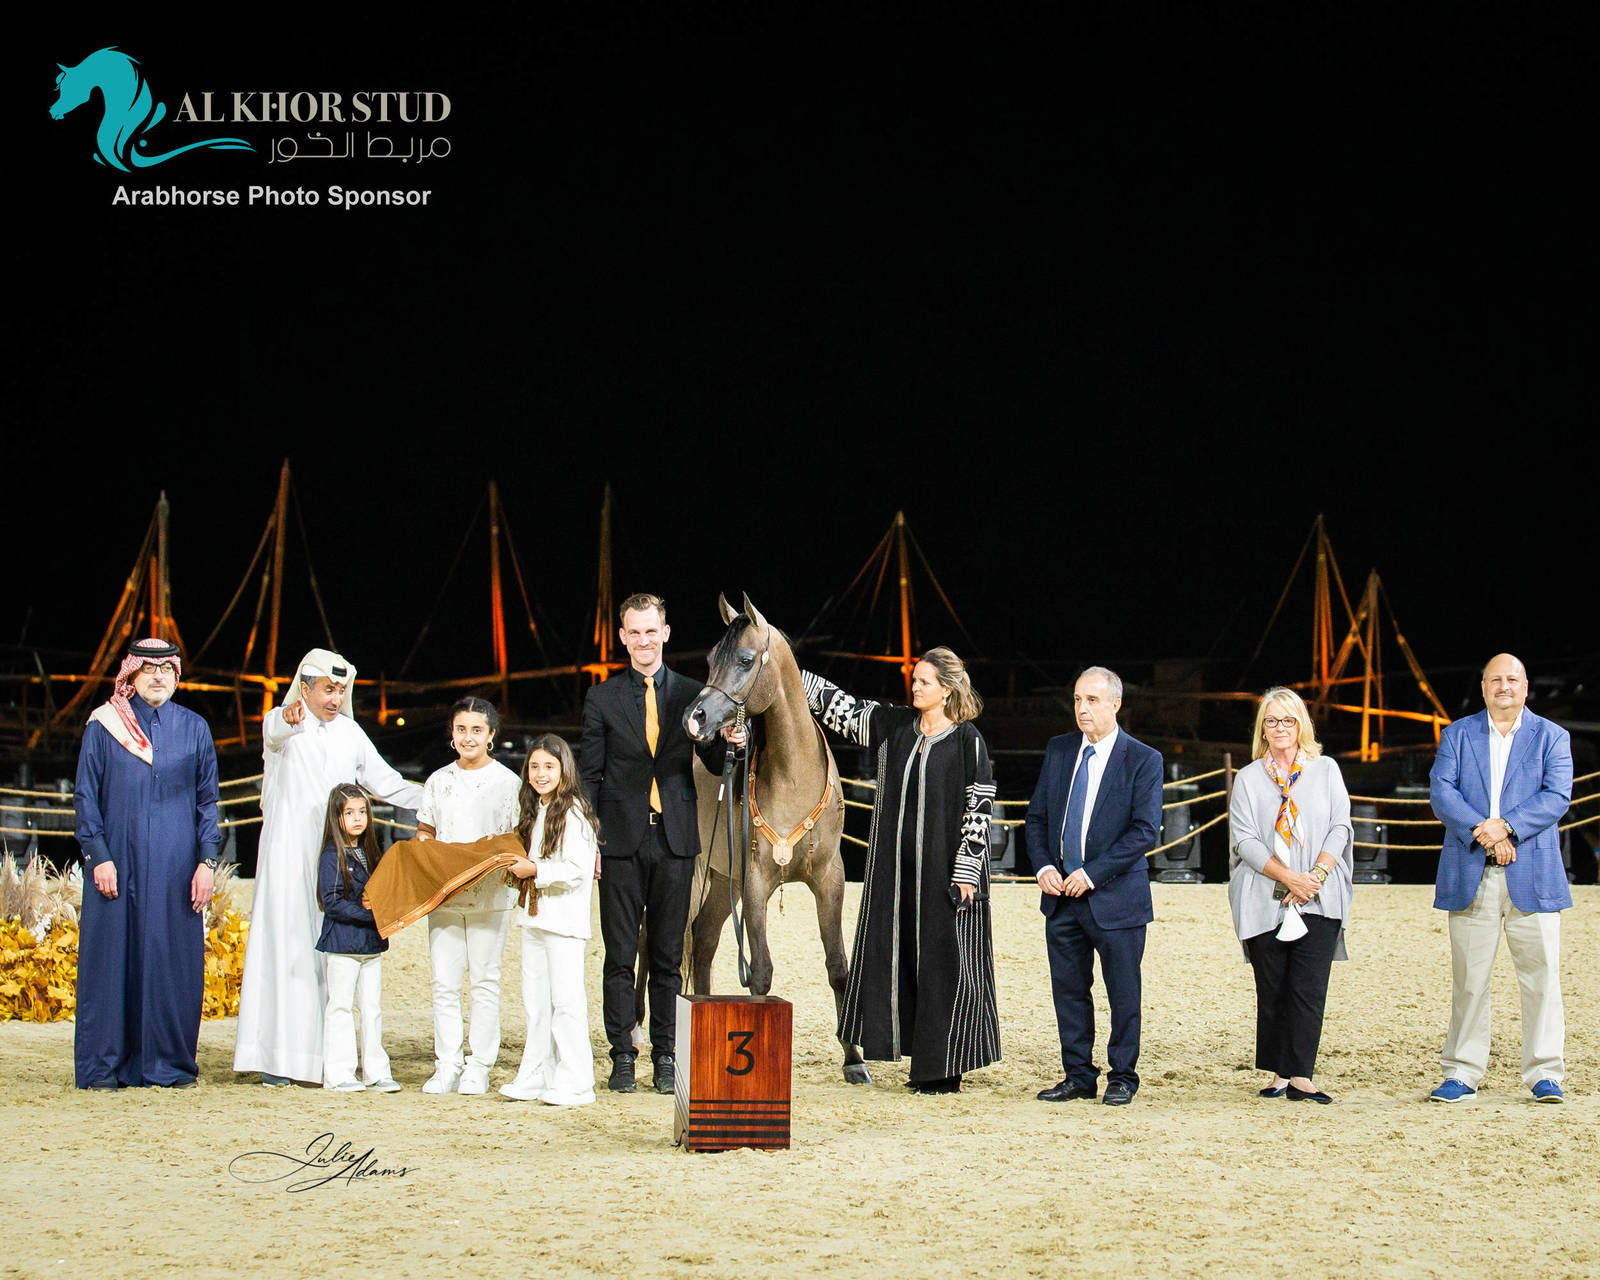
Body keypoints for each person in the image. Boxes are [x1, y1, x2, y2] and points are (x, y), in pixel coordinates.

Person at [801, 648, 1001, 1093]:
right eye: (915, 679)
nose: (915, 686)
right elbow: (843, 708)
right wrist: (785, 668)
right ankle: (912, 1057)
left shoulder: (968, 740)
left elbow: (980, 805)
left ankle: (941, 1072)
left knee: (944, 966)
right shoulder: (895, 727)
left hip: (947, 878)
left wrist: (967, 870)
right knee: (901, 961)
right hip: (894, 879)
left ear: (946, 689)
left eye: (924, 681)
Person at [234, 648, 424, 1087]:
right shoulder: (281, 724)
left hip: (337, 861)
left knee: (332, 957)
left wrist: (437, 798)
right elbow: (277, 730)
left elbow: (387, 782)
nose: (336, 698)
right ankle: (279, 1059)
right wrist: (290, 716)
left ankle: (329, 1061)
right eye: (327, 689)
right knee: (289, 952)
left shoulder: (351, 733)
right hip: (288, 857)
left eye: (341, 690)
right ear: (305, 687)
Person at [580, 593, 725, 1095]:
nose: (643, 640)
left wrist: (733, 744)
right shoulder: (601, 698)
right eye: (633, 632)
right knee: (620, 955)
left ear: (666, 633)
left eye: (651, 631)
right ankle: (623, 1056)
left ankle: (666, 1056)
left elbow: (712, 762)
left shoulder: (692, 693)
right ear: (622, 637)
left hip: (676, 839)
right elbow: (590, 777)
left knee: (667, 956)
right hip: (618, 841)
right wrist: (590, 840)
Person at [73, 638, 220, 1089]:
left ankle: (168, 1066)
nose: (158, 675)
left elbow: (207, 802)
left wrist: (207, 862)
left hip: (178, 870)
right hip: (116, 866)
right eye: (148, 668)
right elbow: (85, 798)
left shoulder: (195, 728)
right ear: (131, 676)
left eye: (166, 669)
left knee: (170, 962)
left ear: (177, 675)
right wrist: (99, 856)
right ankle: (105, 1067)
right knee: (110, 963)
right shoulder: (104, 726)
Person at [1429, 653, 1573, 1104]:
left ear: (1525, 686)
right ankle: (1462, 1072)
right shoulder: (1457, 734)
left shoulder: (1553, 737)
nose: (1504, 686)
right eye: (1496, 679)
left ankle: (1545, 1073)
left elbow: (1556, 797)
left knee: (1542, 976)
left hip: (1533, 873)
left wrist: (1506, 825)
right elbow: (1442, 792)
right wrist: (1487, 834)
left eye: (1512, 679)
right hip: (1473, 872)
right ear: (1484, 685)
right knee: (1470, 978)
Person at [1024, 666, 1162, 1106]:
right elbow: (1037, 818)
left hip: (1116, 899)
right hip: (1060, 898)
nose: (1082, 709)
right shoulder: (1060, 750)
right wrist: (1044, 865)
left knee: (1123, 992)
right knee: (1068, 991)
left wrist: (1093, 873)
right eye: (1078, 700)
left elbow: (1144, 832)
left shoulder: (1144, 759)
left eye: (1093, 701)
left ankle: (1123, 1076)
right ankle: (1078, 1076)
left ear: (1116, 704)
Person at [1227, 687, 1353, 1103]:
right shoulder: (1247, 778)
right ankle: (1280, 1071)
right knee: (1274, 985)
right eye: (1271, 721)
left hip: (1320, 891)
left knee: (1309, 985)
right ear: (1262, 728)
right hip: (1263, 893)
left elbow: (1340, 827)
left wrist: (1313, 875)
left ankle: (1302, 1077)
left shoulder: (1326, 770)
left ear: (1302, 725)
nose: (1280, 728)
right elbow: (1244, 840)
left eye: (1288, 720)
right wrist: (1287, 877)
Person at [415, 696, 523, 1095]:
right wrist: (425, 851)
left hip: (490, 896)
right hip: (445, 894)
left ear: (491, 735)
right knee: (443, 981)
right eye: (461, 729)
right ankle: (447, 1063)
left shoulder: (508, 783)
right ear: (452, 734)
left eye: (477, 730)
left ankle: (478, 1064)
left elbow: (516, 838)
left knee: (484, 980)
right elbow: (426, 830)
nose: (468, 737)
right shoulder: (438, 780)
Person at [501, 734, 600, 1106]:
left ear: (564, 770)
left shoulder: (574, 812)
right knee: (537, 1003)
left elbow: (576, 869)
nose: (540, 774)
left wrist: (533, 869)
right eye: (535, 767)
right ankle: (536, 1075)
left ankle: (576, 1081)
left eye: (549, 767)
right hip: (534, 919)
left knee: (566, 1002)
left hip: (563, 923)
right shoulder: (536, 810)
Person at [316, 784, 399, 1093]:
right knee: (339, 1006)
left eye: (362, 812)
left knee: (372, 1007)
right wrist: (374, 918)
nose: (357, 818)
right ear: (336, 817)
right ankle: (338, 1073)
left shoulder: (370, 852)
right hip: (343, 944)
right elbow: (333, 902)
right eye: (349, 813)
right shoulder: (331, 856)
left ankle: (376, 1071)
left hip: (369, 945)